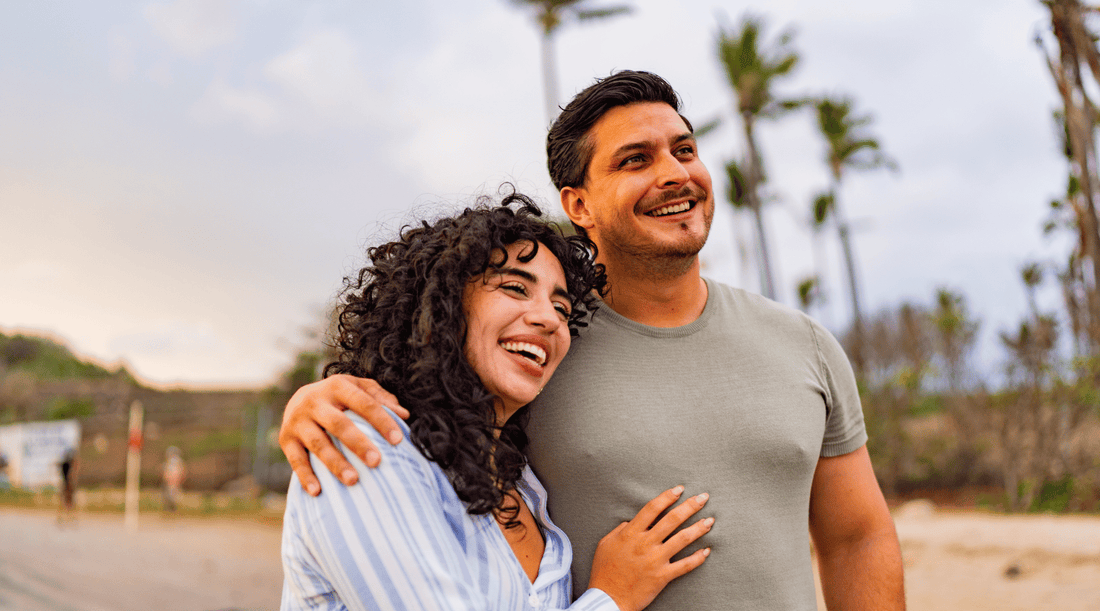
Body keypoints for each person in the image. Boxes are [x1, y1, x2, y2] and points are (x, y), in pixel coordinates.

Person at [279, 72, 905, 610]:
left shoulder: (805, 345)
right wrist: (315, 400)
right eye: (635, 160)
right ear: (577, 203)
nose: (674, 173)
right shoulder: (529, 361)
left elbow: (857, 536)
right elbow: (414, 401)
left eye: (684, 150)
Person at [280, 193, 714, 611]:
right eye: (514, 287)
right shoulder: (363, 442)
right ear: (443, 302)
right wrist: (611, 598)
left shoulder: (524, 482)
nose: (548, 318)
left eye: (562, 308)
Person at [162, 446, 186, 512]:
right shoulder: (169, 462)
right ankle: (169, 508)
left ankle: (173, 508)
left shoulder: (177, 462)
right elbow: (166, 471)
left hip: (174, 480)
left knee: (174, 495)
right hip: (171, 480)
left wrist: (178, 478)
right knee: (168, 494)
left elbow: (181, 471)